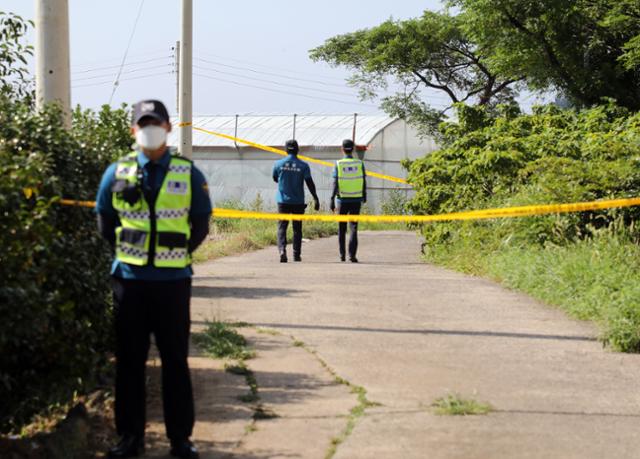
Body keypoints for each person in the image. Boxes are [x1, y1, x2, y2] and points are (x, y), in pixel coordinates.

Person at [96, 100, 211, 459]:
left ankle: (181, 440)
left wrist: (173, 255)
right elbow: (105, 223)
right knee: (129, 362)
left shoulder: (187, 173)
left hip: (173, 282)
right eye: (143, 124)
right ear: (133, 130)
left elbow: (200, 224)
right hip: (129, 282)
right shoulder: (117, 171)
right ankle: (130, 438)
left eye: (155, 123)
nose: (150, 129)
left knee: (176, 361)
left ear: (168, 128)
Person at [272, 139, 320, 263]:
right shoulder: (303, 165)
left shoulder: (278, 164)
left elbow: (275, 178)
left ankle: (282, 250)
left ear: (285, 149)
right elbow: (310, 183)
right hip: (298, 202)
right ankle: (296, 255)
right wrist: (315, 198)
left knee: (282, 227)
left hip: (283, 201)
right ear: (298, 150)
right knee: (297, 229)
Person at [330, 139, 367, 263]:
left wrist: (331, 199)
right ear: (353, 149)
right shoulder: (359, 163)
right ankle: (352, 255)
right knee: (354, 228)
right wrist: (364, 195)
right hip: (356, 199)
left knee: (341, 228)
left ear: (342, 149)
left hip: (342, 200)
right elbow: (364, 181)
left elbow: (335, 183)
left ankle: (342, 255)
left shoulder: (339, 164)